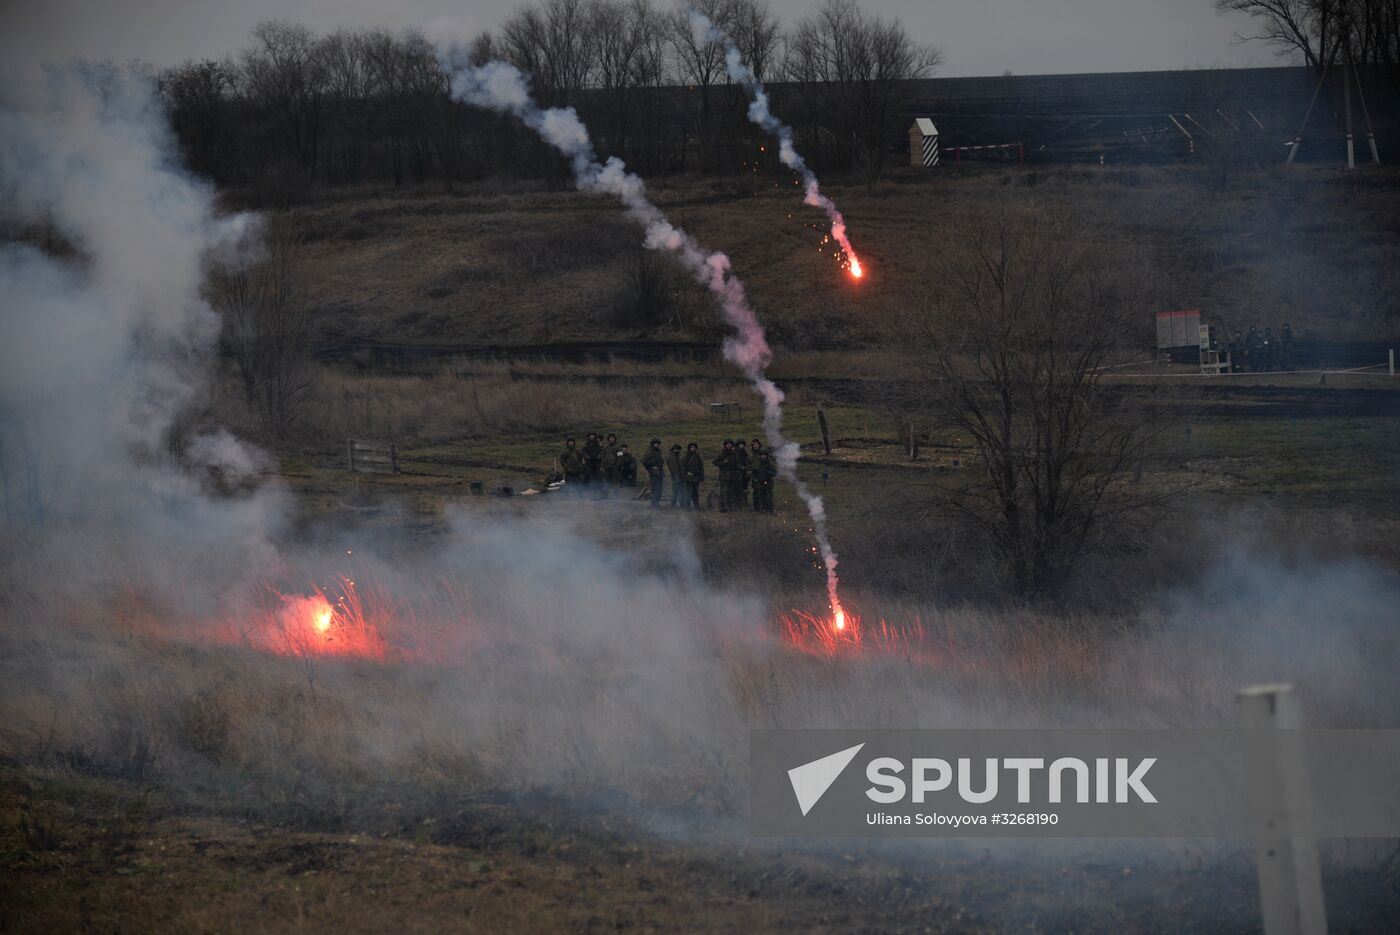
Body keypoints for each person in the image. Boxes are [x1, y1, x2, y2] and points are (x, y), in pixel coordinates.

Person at [712, 439, 738, 513]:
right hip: (724, 476)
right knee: (724, 492)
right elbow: (715, 462)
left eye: (730, 444)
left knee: (731, 492)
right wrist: (723, 463)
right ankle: (724, 507)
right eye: (728, 444)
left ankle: (731, 507)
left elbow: (736, 463)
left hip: (732, 476)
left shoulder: (734, 453)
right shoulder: (721, 453)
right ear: (725, 445)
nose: (729, 445)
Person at [750, 449, 776, 513]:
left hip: (768, 483)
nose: (763, 456)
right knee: (761, 497)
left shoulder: (769, 464)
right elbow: (754, 472)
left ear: (766, 456)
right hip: (760, 482)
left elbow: (775, 472)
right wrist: (755, 477)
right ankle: (762, 510)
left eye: (764, 455)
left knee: (768, 497)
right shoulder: (758, 464)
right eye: (762, 455)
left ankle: (770, 510)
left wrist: (770, 473)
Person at [642, 439, 666, 508]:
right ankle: (654, 503)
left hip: (660, 472)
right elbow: (645, 462)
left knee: (660, 489)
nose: (657, 445)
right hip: (654, 473)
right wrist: (653, 464)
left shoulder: (658, 451)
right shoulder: (650, 451)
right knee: (655, 488)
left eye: (658, 443)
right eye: (655, 443)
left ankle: (657, 502)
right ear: (652, 444)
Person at [682, 442, 704, 510]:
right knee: (689, 493)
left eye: (694, 447)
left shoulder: (698, 456)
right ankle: (688, 506)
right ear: (689, 448)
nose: (693, 448)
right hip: (689, 477)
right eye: (691, 447)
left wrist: (702, 476)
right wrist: (685, 477)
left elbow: (701, 467)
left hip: (696, 477)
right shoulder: (685, 457)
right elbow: (683, 468)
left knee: (695, 493)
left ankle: (696, 506)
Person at [734, 438, 751, 510]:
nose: (741, 446)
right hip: (737, 473)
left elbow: (749, 462)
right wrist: (740, 467)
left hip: (745, 473)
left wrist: (748, 469)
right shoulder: (735, 453)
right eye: (740, 444)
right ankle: (738, 502)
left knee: (745, 488)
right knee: (738, 488)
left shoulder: (746, 453)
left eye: (742, 444)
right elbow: (734, 463)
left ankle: (744, 501)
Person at [666, 443, 684, 508]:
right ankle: (674, 504)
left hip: (677, 477)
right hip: (676, 477)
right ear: (674, 449)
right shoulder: (673, 457)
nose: (678, 451)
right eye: (677, 449)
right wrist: (678, 478)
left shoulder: (675, 456)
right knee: (677, 491)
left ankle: (674, 504)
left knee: (676, 491)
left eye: (679, 449)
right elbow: (674, 469)